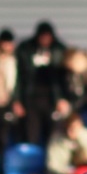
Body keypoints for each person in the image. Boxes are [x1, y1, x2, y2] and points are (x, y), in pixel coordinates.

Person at [14, 20, 66, 148]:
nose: (45, 40)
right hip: (31, 100)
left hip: (51, 101)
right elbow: (18, 77)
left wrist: (61, 99)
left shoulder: (59, 50)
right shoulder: (26, 49)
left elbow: (63, 79)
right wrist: (17, 100)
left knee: (52, 137)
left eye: (48, 37)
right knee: (31, 135)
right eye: (43, 37)